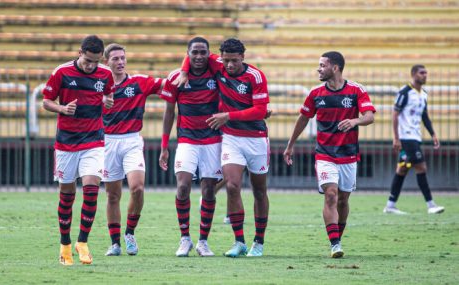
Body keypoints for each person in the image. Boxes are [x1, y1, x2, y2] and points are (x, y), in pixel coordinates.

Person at [177, 38, 271, 257]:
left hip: (256, 138)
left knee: (259, 191)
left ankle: (259, 241)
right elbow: (191, 53)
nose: (229, 65)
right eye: (226, 60)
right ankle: (239, 241)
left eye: (234, 61)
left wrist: (228, 115)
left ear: (243, 58)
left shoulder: (255, 76)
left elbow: (259, 110)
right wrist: (183, 71)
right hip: (231, 138)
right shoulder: (217, 63)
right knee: (231, 186)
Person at [283, 51, 375, 258]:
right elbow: (303, 119)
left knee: (343, 199)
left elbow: (369, 116)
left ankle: (337, 238)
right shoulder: (316, 94)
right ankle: (335, 244)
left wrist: (355, 121)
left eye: (322, 65)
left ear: (335, 68)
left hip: (349, 155)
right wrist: (290, 145)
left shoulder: (356, 90)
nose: (318, 69)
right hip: (324, 154)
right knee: (331, 194)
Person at [42, 35, 114, 265]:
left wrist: (108, 101)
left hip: (93, 140)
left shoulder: (105, 73)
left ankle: (82, 242)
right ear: (80, 52)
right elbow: (46, 101)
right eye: (87, 61)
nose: (91, 66)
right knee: (67, 195)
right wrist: (62, 108)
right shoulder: (62, 72)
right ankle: (64, 244)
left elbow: (108, 93)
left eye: (95, 61)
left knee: (92, 189)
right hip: (66, 143)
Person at [159, 37, 223, 257]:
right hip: (186, 139)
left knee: (208, 190)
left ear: (208, 53)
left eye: (202, 52)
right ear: (188, 54)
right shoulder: (176, 78)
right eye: (194, 52)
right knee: (183, 186)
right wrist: (164, 146)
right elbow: (169, 112)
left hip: (212, 140)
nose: (198, 56)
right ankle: (185, 238)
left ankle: (203, 241)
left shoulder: (217, 72)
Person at [101, 43, 165, 256]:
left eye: (122, 58)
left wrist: (185, 71)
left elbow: (168, 85)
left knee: (137, 188)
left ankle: (129, 233)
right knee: (113, 195)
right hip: (107, 142)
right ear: (105, 62)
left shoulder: (139, 82)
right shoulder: (98, 87)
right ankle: (115, 243)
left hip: (131, 141)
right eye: (115, 59)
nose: (120, 62)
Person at [383, 65, 444, 215]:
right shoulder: (405, 92)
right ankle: (431, 205)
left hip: (415, 137)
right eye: (422, 73)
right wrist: (396, 138)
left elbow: (424, 115)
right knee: (421, 167)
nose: (425, 75)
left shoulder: (424, 94)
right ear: (413, 74)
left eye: (426, 73)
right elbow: (395, 114)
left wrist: (433, 134)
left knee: (402, 169)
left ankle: (390, 205)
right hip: (406, 137)